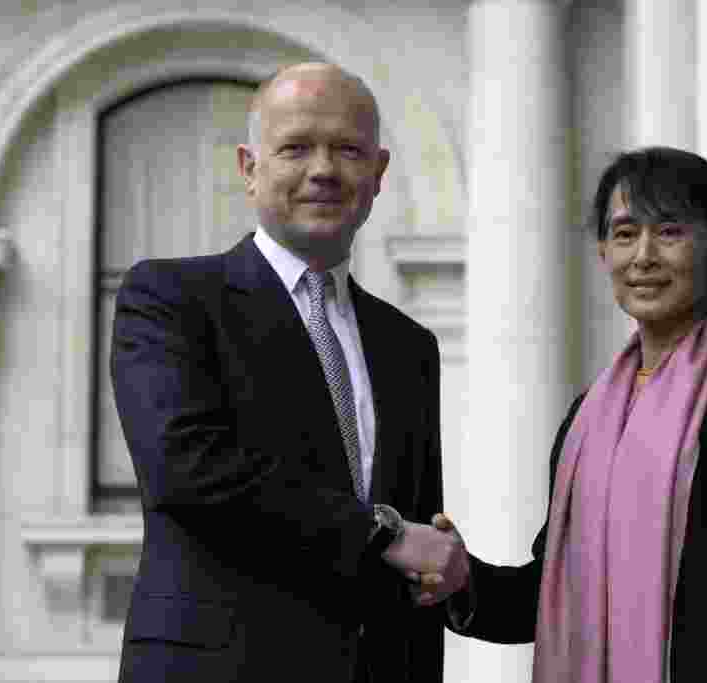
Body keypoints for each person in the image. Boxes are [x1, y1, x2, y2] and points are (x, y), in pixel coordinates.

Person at [110, 62, 468, 683]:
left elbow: (414, 546)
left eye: (348, 150)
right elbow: (187, 470)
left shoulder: (408, 346)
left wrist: (445, 564)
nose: (324, 170)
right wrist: (380, 533)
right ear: (250, 167)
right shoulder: (170, 298)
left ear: (378, 174)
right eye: (296, 147)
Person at [431, 147, 707, 681]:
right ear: (603, 253)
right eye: (624, 234)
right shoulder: (585, 420)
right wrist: (462, 578)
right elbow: (545, 595)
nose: (643, 256)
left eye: (669, 232)